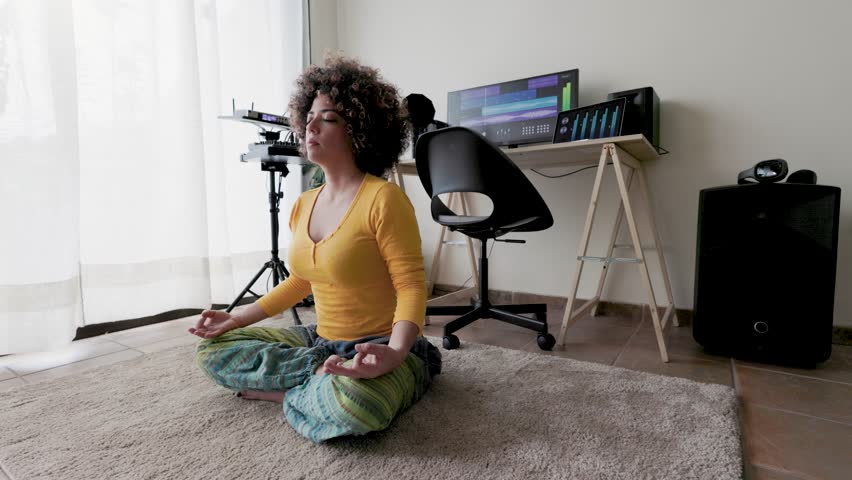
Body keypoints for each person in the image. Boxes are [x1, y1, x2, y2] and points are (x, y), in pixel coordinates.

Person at [189, 55, 441, 443]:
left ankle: (297, 390)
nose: (310, 124)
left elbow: (411, 286)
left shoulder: (383, 199)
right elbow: (301, 281)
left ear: (360, 129)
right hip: (318, 342)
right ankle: (319, 376)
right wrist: (236, 319)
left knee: (359, 408)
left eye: (328, 117)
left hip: (383, 345)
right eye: (308, 115)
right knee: (213, 353)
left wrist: (394, 352)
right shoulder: (304, 203)